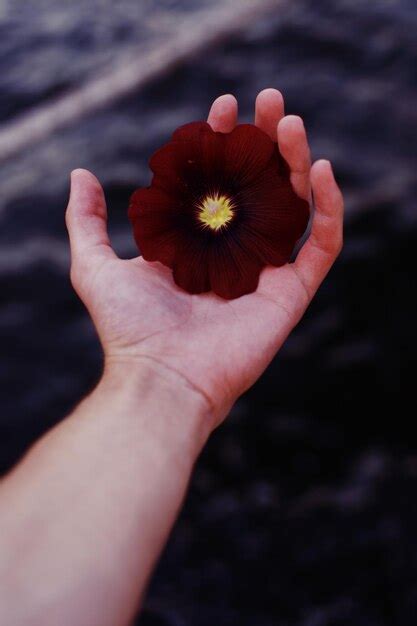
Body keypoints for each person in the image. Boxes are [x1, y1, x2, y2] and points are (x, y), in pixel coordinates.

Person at [0, 89, 343, 626]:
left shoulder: (228, 213)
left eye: (218, 206)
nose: (214, 209)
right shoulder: (188, 218)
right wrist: (156, 374)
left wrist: (152, 377)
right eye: (212, 207)